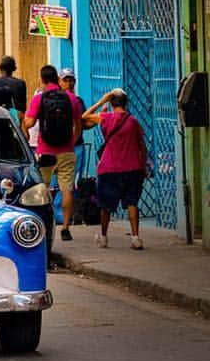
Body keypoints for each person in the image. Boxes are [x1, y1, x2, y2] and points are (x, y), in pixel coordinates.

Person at [22, 64, 90, 242]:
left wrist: (25, 129)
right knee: (67, 189)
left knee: (41, 189)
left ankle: (43, 224)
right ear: (57, 80)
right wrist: (72, 141)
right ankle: (66, 228)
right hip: (67, 151)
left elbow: (28, 123)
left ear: (42, 79)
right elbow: (79, 124)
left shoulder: (39, 98)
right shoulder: (71, 99)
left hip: (45, 151)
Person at [83, 89, 149, 249]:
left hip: (109, 169)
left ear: (111, 103)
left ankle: (104, 237)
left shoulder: (105, 117)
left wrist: (101, 102)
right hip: (132, 168)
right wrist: (143, 166)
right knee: (132, 203)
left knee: (105, 206)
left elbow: (82, 118)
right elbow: (143, 147)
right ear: (126, 103)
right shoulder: (133, 122)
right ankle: (135, 237)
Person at [60, 67, 87, 196]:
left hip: (76, 147)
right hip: (60, 147)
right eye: (66, 80)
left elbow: (82, 123)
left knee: (74, 182)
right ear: (60, 82)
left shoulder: (79, 101)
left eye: (71, 80)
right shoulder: (56, 101)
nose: (69, 84)